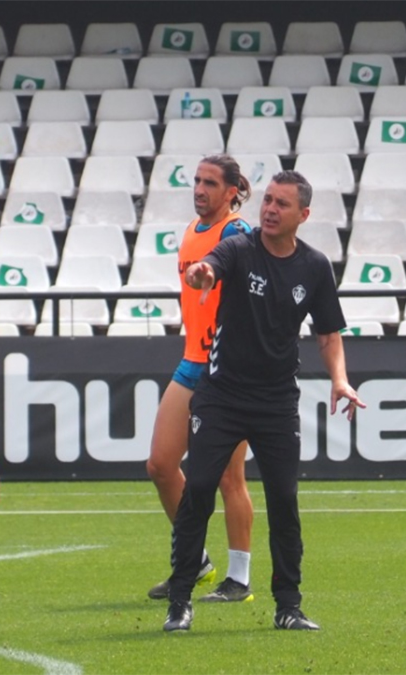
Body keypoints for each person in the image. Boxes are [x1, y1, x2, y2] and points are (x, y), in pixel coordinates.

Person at [163, 170, 365, 632]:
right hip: (222, 394)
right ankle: (180, 602)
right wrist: (202, 274)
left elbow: (328, 334)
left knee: (284, 501)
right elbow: (211, 266)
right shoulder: (239, 247)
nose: (270, 209)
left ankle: (288, 606)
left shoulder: (314, 267)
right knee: (196, 491)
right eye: (268, 200)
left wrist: (340, 380)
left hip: (276, 401)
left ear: (303, 215)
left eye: (282, 204)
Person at [146, 156, 257, 603]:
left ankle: (240, 580)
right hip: (193, 360)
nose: (199, 188)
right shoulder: (192, 231)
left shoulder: (237, 233)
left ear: (232, 191)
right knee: (159, 465)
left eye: (210, 182)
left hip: (227, 369)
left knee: (230, 479)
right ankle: (196, 563)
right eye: (196, 180)